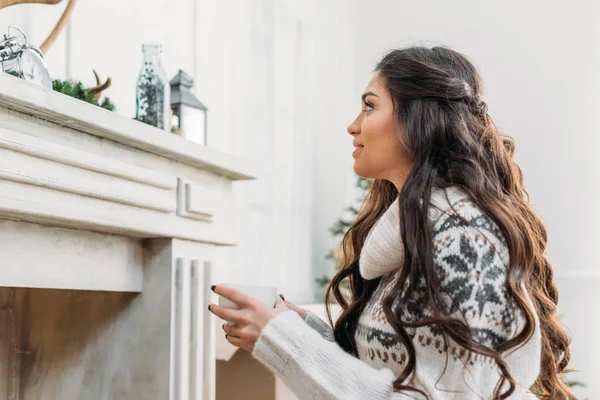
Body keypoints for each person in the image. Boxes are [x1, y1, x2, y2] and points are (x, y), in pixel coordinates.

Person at [208, 46, 574, 399]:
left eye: (370, 106)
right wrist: (301, 328)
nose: (353, 126)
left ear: (419, 119)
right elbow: (392, 374)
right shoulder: (410, 236)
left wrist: (282, 340)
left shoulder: (465, 239)